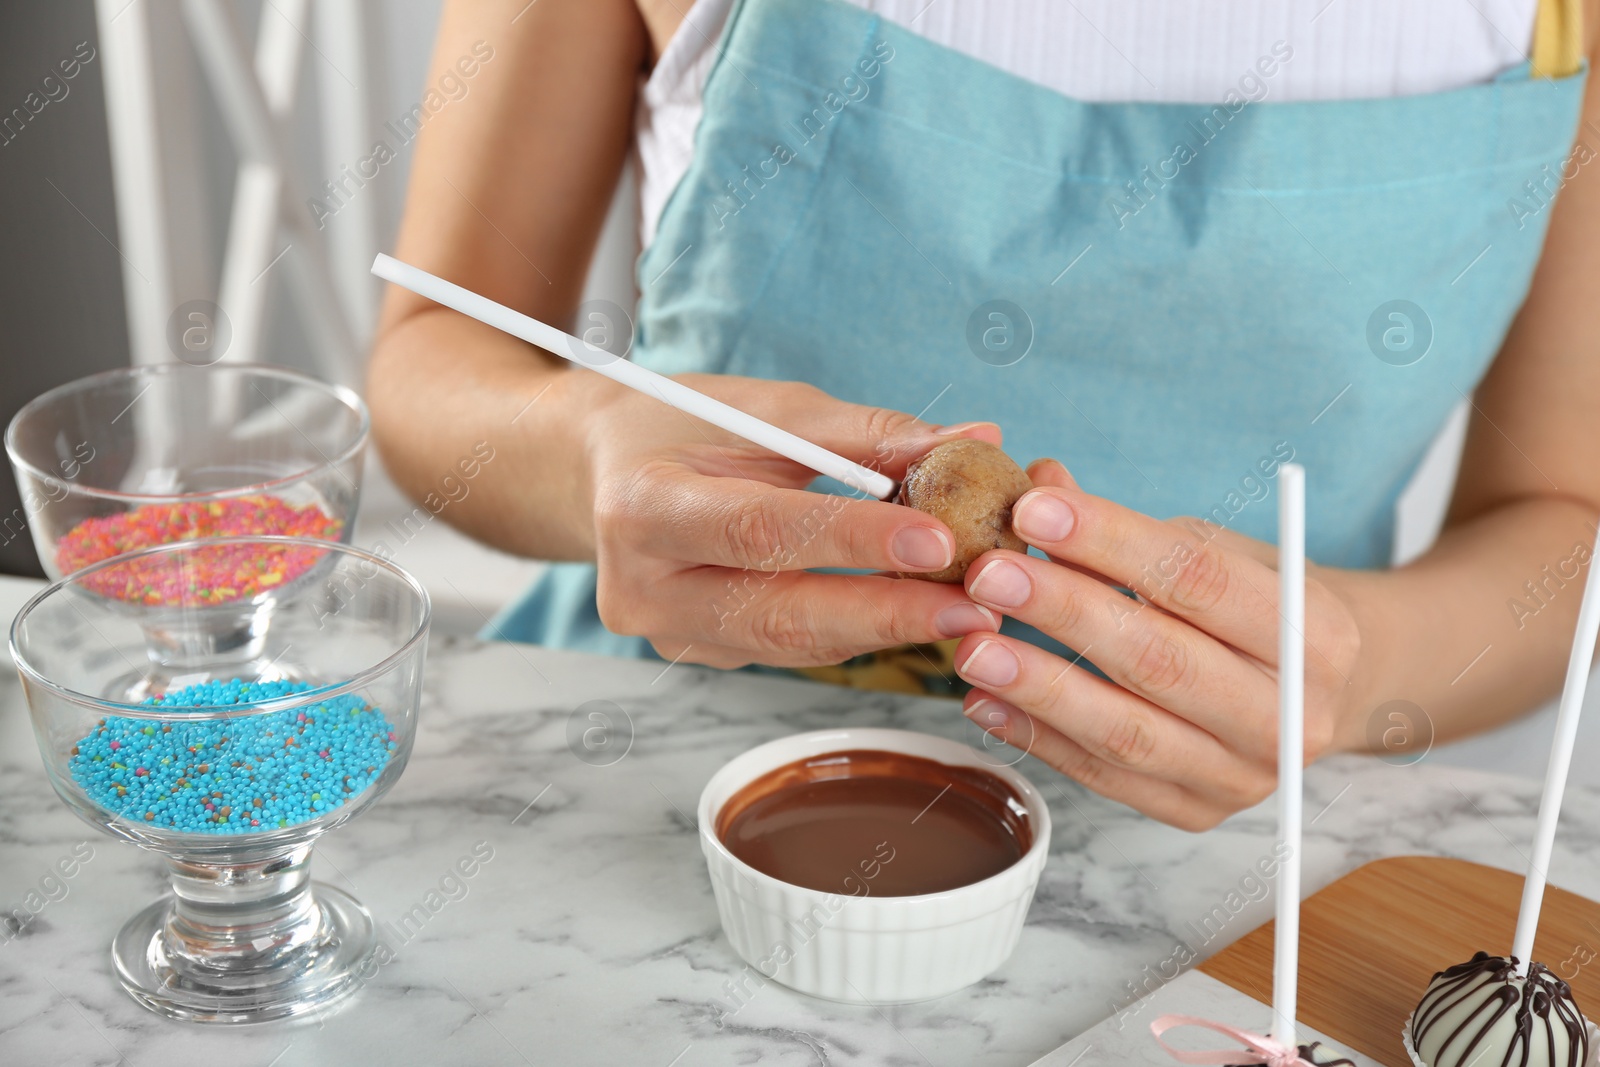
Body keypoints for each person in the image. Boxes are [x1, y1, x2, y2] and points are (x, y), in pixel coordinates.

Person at [368, 0, 1600, 830]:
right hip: (654, 781)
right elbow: (434, 361)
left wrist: (1357, 665)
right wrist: (589, 451)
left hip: (1242, 850)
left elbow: (1563, 516)